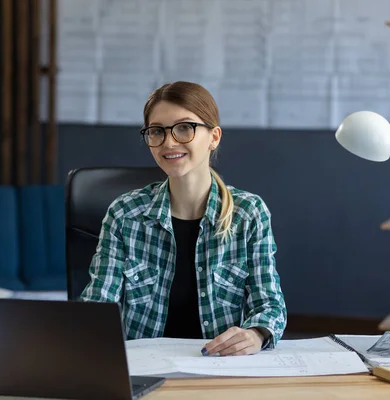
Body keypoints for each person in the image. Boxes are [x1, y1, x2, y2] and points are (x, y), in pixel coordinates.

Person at [81, 81, 286, 356]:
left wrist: (256, 334)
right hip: (143, 368)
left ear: (214, 137)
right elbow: (98, 305)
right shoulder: (125, 214)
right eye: (157, 131)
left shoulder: (248, 213)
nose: (169, 142)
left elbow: (269, 305)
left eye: (184, 128)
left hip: (222, 368)